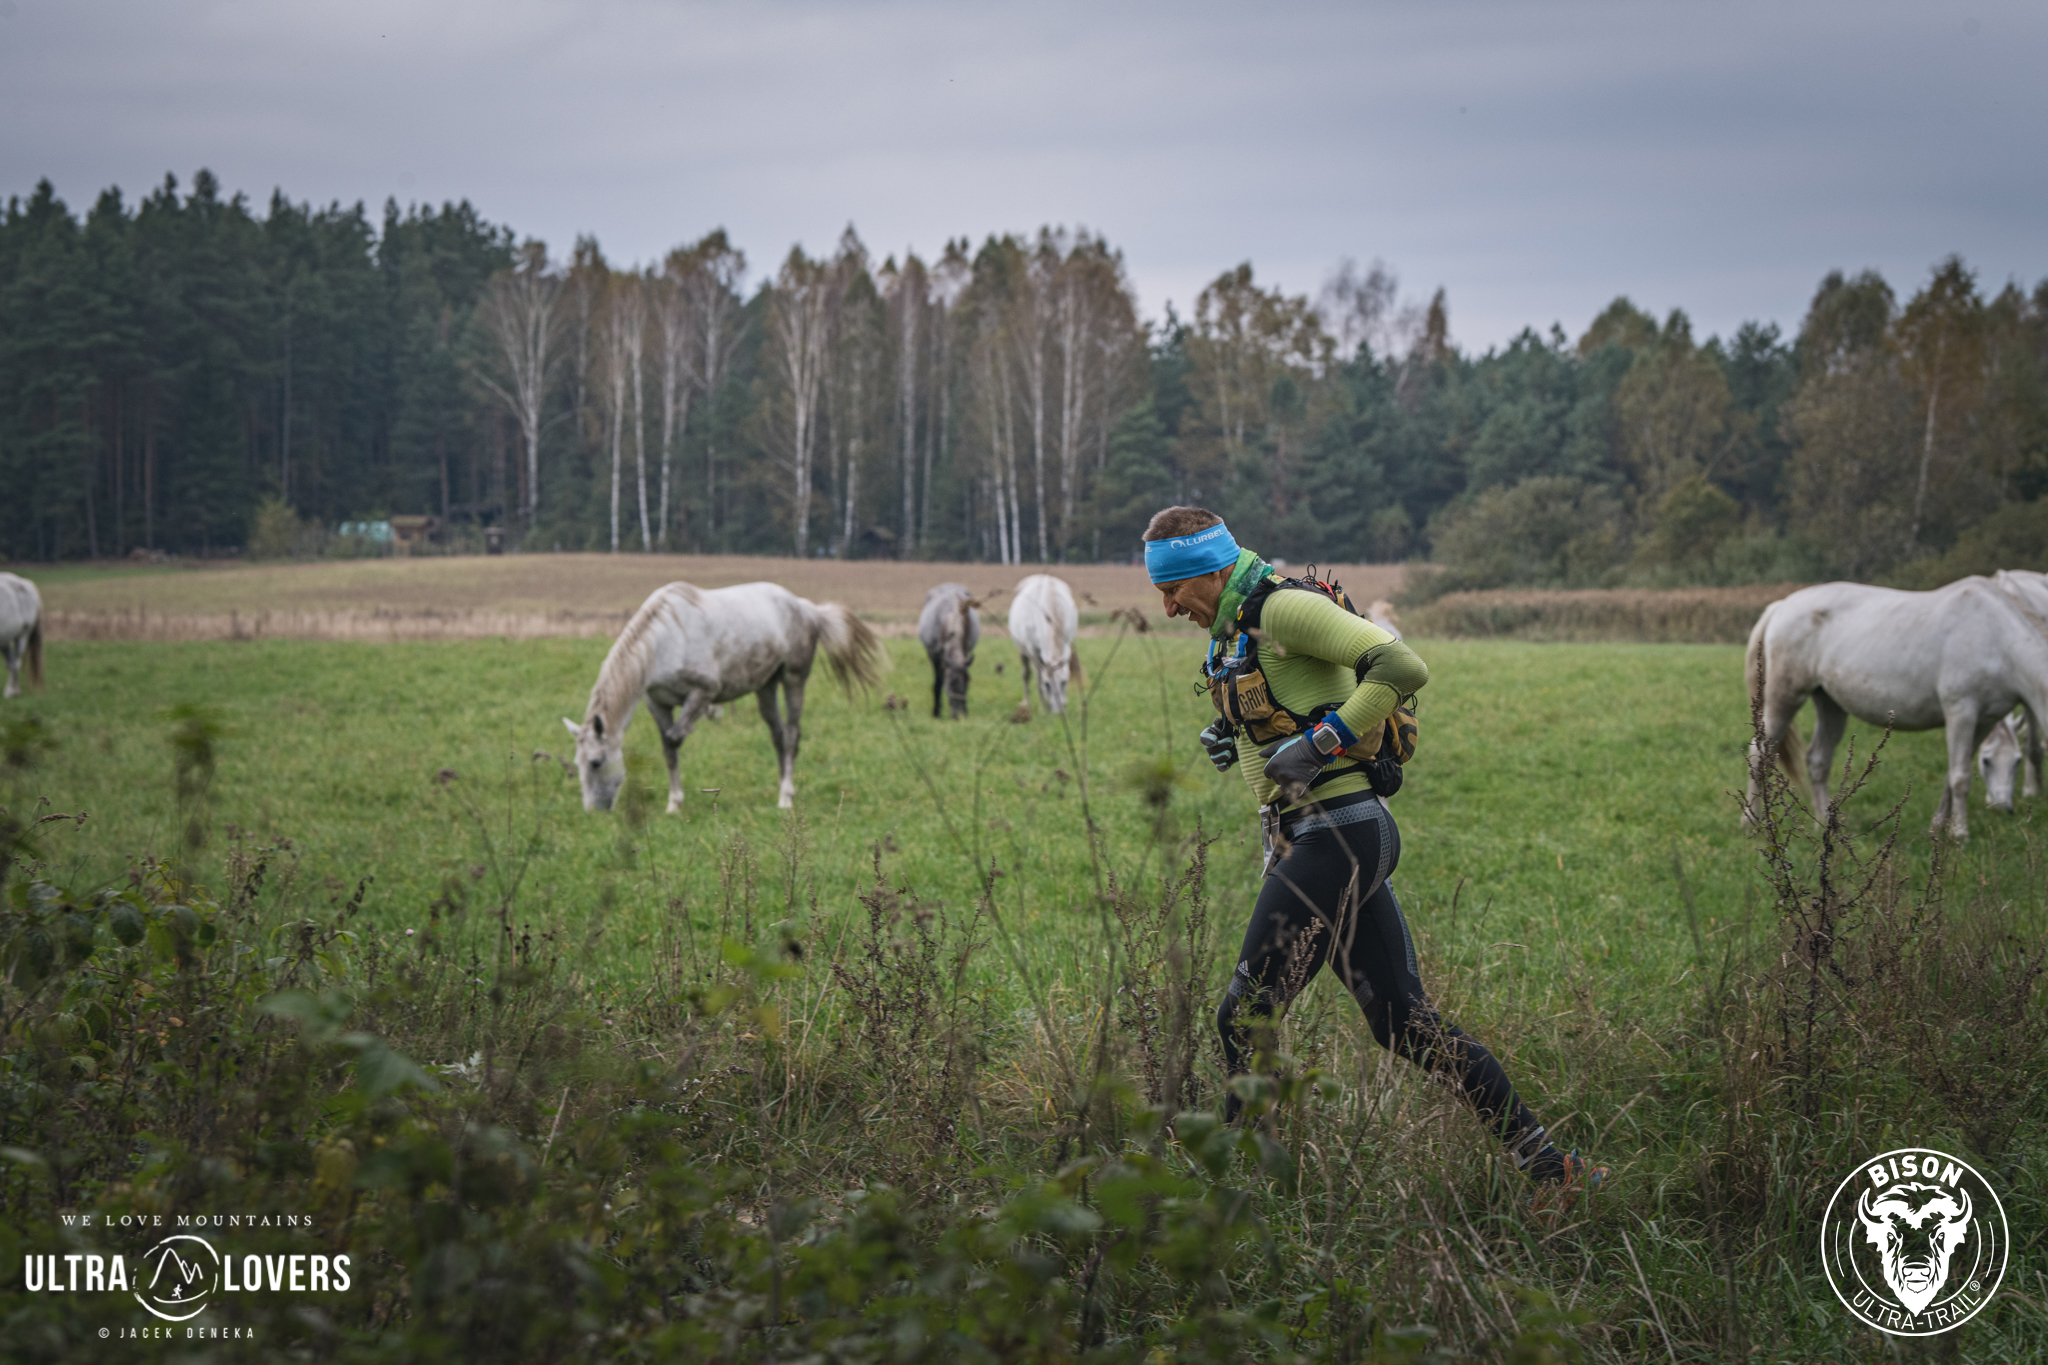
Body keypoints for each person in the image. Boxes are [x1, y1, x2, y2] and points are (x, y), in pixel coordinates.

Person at [1144, 506, 1606, 1210]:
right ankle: (1552, 1168)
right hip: (1324, 836)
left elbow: (1401, 662)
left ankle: (1222, 1205)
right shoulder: (1234, 632)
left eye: (1174, 590)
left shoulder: (1281, 609)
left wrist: (1325, 741)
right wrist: (1228, 734)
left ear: (1210, 570)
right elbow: (1286, 704)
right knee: (1403, 1022)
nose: (1168, 606)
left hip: (1337, 831)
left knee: (1244, 1015)